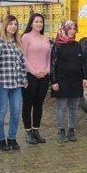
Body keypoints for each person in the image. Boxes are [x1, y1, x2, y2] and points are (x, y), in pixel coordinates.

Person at [0, 15, 26, 152]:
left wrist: (24, 79)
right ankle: (1, 139)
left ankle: (12, 137)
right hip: (2, 83)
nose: (13, 26)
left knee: (16, 111)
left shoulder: (18, 43)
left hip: (16, 83)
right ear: (5, 25)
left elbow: (22, 63)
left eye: (15, 24)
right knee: (1, 112)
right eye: (10, 24)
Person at [51, 20, 87, 142]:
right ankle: (61, 130)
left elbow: (82, 63)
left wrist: (84, 77)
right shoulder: (57, 46)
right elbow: (52, 64)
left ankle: (71, 130)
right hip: (62, 81)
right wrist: (54, 81)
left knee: (74, 107)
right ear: (64, 29)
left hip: (76, 81)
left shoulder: (77, 45)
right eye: (70, 28)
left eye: (74, 28)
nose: (72, 31)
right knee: (61, 107)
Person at [21, 13, 51, 145]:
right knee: (28, 104)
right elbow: (23, 57)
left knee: (39, 104)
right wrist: (34, 71)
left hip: (44, 75)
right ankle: (28, 132)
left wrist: (47, 70)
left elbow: (49, 58)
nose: (39, 24)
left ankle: (36, 130)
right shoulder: (26, 37)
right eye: (36, 21)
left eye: (41, 22)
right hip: (30, 75)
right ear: (31, 23)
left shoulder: (45, 38)